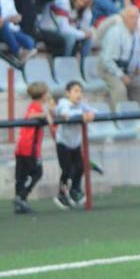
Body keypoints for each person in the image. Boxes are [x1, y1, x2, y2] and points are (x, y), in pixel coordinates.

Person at [53, 81, 96, 210]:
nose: (79, 94)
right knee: (67, 170)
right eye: (76, 91)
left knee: (81, 167)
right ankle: (62, 194)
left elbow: (94, 111)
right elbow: (65, 114)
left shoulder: (81, 105)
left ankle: (75, 189)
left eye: (80, 91)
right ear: (68, 93)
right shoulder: (63, 103)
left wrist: (90, 114)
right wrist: (83, 115)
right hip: (63, 143)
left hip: (75, 143)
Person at [14, 81, 55, 214]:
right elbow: (30, 115)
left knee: (22, 176)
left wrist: (49, 111)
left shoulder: (38, 106)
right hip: (29, 147)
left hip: (24, 146)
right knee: (37, 172)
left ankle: (20, 202)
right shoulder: (35, 107)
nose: (49, 95)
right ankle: (21, 197)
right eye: (47, 93)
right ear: (42, 95)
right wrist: (45, 115)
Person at [97, 6, 140, 111]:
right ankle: (121, 117)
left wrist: (138, 66)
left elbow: (136, 54)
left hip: (128, 70)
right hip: (110, 70)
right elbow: (107, 60)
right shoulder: (115, 33)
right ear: (124, 18)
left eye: (137, 17)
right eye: (132, 17)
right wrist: (121, 75)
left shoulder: (136, 33)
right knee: (120, 90)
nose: (135, 20)